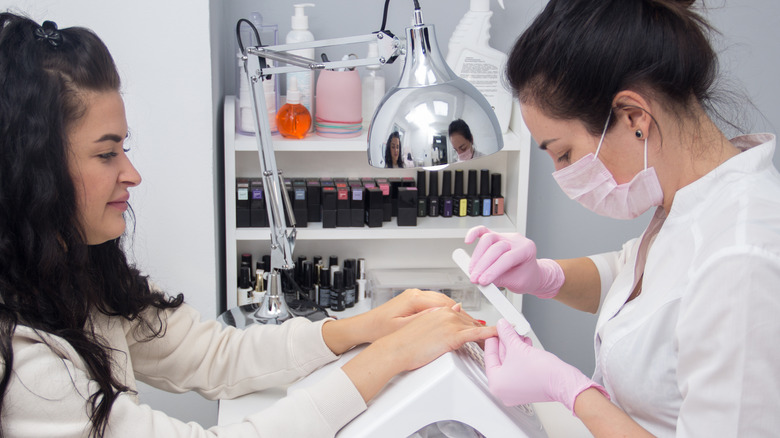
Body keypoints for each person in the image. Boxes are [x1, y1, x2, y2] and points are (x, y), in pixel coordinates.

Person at [0, 13, 497, 437]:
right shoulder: (22, 363)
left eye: (123, 148)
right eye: (107, 153)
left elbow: (212, 354)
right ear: (33, 171)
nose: (132, 173)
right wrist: (386, 357)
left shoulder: (80, 274)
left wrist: (362, 328)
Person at [467, 1, 780, 436]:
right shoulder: (690, 199)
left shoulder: (743, 259)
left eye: (564, 153)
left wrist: (571, 392)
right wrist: (544, 276)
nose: (563, 175)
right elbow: (640, 285)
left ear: (634, 117)